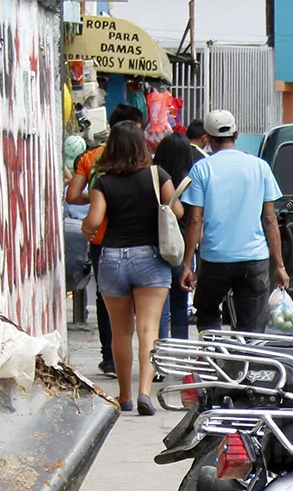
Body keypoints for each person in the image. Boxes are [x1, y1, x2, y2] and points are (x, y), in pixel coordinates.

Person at [82, 121, 186, 416]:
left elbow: (94, 220)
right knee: (149, 330)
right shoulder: (157, 175)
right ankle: (145, 393)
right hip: (150, 259)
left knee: (121, 332)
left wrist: (86, 229)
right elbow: (177, 211)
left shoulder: (103, 181)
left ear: (111, 146)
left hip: (113, 258)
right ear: (142, 144)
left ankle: (125, 396)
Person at [180, 110, 289, 333]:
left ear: (208, 139)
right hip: (254, 259)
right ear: (236, 134)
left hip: (214, 259)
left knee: (209, 314)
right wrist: (279, 266)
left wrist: (187, 264)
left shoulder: (202, 168)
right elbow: (270, 219)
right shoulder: (260, 167)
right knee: (252, 324)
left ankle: (215, 360)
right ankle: (247, 366)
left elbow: (195, 219)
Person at [66, 104, 145, 378]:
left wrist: (97, 197)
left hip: (103, 240)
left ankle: (110, 359)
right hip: (141, 239)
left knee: (106, 299)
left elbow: (73, 196)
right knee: (142, 303)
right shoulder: (145, 160)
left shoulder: (91, 158)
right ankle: (147, 366)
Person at [153, 133, 197, 338]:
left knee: (159, 305)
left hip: (158, 247)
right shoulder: (192, 182)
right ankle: (182, 354)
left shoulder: (154, 178)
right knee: (180, 305)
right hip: (183, 249)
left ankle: (161, 353)